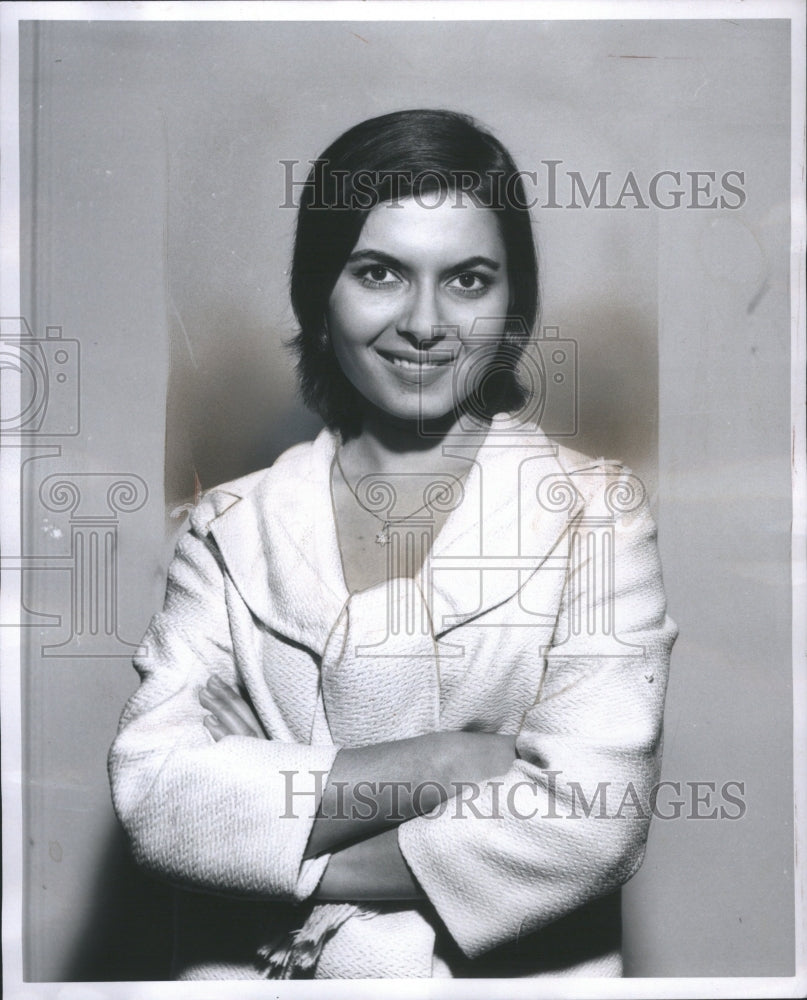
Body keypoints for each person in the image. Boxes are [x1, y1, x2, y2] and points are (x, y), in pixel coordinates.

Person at [108, 109, 678, 980]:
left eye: (468, 280)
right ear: (319, 294)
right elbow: (156, 802)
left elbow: (590, 820)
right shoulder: (227, 527)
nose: (423, 322)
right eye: (379, 272)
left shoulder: (594, 518)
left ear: (513, 303)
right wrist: (445, 762)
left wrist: (275, 831)